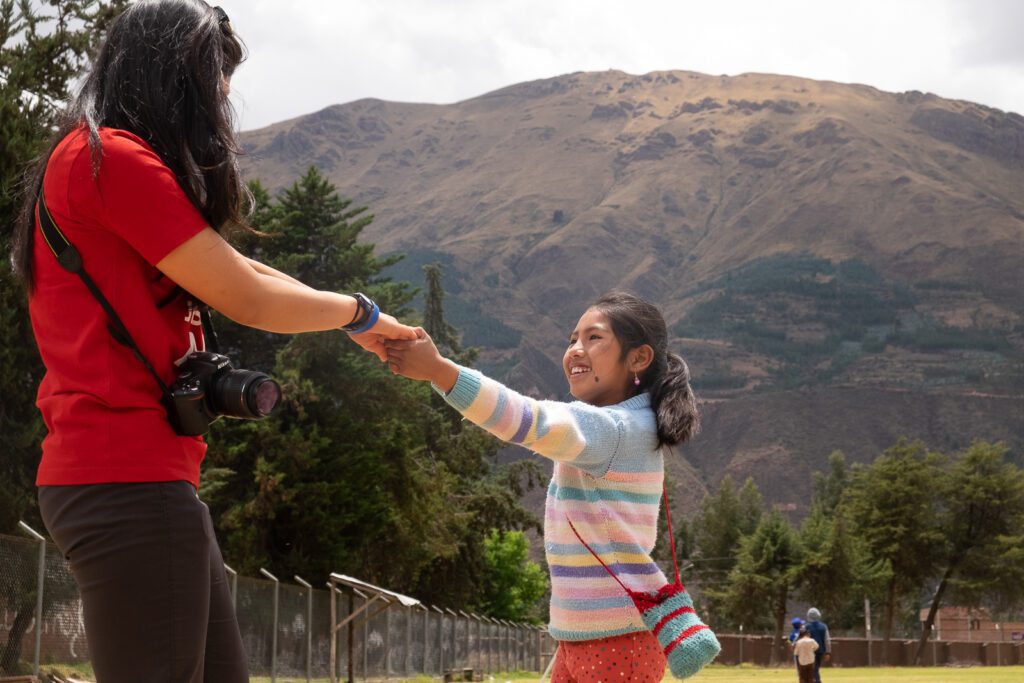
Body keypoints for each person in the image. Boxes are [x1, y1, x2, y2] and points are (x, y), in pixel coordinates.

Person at [9, 2, 416, 681]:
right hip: (125, 478)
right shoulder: (111, 158)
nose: (223, 99)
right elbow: (246, 295)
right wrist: (356, 314)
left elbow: (235, 268)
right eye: (213, 78)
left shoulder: (93, 156)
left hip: (141, 480)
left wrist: (363, 319)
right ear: (173, 77)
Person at [385, 291, 701, 683]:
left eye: (593, 338)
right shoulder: (615, 427)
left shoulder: (613, 430)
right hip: (583, 636)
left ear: (638, 358)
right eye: (572, 339)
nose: (575, 350)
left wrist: (439, 370)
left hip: (617, 640)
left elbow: (528, 419)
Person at [806, 607, 832, 682]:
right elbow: (827, 640)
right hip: (819, 651)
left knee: (810, 669)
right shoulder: (823, 626)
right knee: (815, 668)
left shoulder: (806, 627)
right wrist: (828, 652)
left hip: (808, 652)